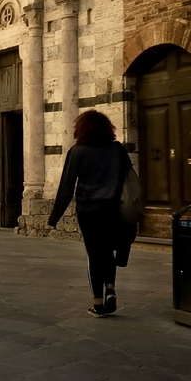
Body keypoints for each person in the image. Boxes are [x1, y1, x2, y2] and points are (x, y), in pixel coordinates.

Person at [48, 110, 137, 317]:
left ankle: (97, 304)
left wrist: (54, 217)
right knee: (108, 251)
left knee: (94, 255)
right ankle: (111, 289)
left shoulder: (78, 151)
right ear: (108, 128)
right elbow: (129, 177)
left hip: (88, 210)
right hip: (113, 208)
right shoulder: (117, 149)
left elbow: (66, 186)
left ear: (81, 129)